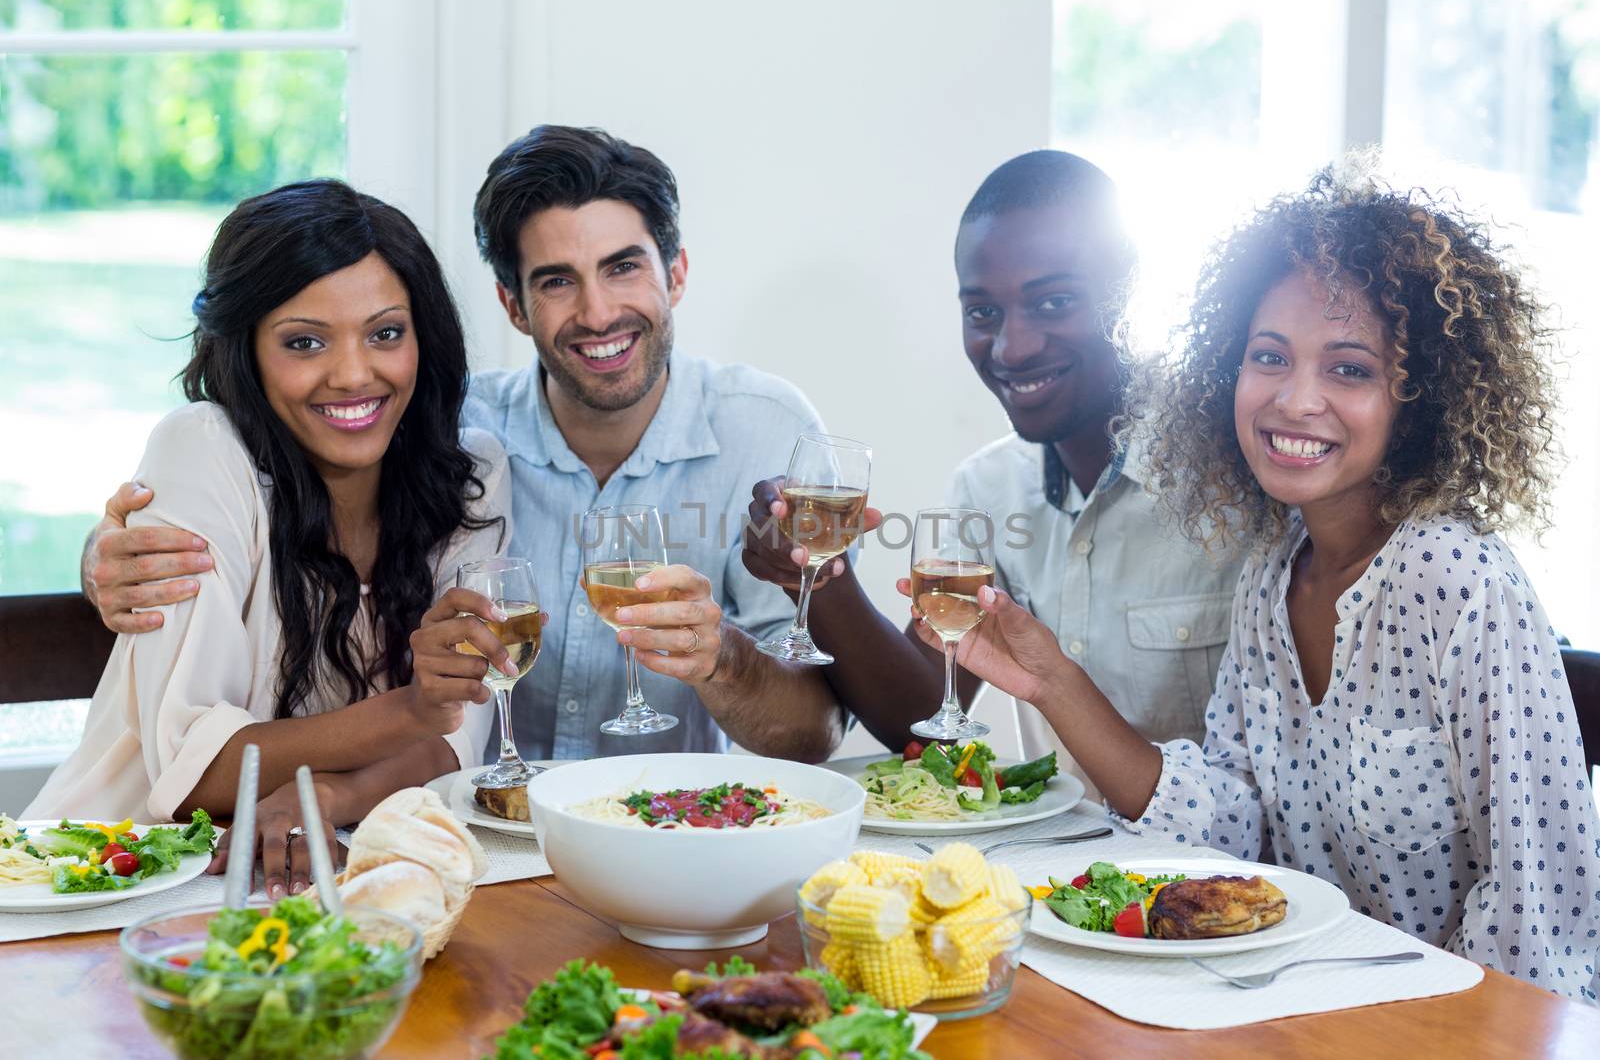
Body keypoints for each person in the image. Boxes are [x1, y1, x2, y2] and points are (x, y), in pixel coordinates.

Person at [920, 164, 1600, 999]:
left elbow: (1535, 919)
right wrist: (1052, 679)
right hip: (1298, 1005)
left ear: (1416, 398)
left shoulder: (1458, 580)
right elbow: (1233, 822)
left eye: (1348, 369)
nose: (1295, 397)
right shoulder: (1273, 574)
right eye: (1268, 356)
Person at [78, 126, 845, 763]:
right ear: (512, 304)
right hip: (477, 843)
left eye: (623, 267)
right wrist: (108, 557)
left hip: (658, 841)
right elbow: (258, 480)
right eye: (557, 281)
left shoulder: (766, 430)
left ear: (675, 272)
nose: (599, 310)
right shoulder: (450, 436)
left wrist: (722, 657)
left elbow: (816, 732)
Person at [27, 180, 520, 899]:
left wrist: (332, 796)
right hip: (116, 882)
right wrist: (409, 710)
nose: (354, 373)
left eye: (386, 332)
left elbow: (456, 744)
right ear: (247, 349)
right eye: (304, 342)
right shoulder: (202, 451)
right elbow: (198, 772)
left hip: (336, 876)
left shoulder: (470, 472)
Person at [741, 151, 1240, 773]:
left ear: (1131, 294)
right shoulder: (990, 486)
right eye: (982, 312)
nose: (1013, 346)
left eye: (1054, 303)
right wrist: (816, 573)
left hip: (1219, 869)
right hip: (1057, 867)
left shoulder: (1239, 482)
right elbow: (922, 714)